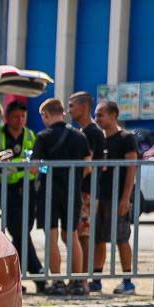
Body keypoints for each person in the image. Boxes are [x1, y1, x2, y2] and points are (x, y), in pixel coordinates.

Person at [31, 98, 91, 295]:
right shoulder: (79, 137)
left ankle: (56, 281)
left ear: (45, 115)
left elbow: (34, 168)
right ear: (62, 113)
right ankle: (77, 282)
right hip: (72, 191)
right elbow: (88, 167)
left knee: (52, 237)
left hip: (49, 191)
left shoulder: (43, 137)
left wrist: (48, 168)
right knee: (72, 235)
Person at [0, 99, 44, 286]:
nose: (20, 120)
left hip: (28, 190)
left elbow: (38, 165)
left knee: (23, 232)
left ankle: (16, 278)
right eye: (15, 117)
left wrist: (23, 169)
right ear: (7, 118)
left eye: (23, 116)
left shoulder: (30, 135)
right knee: (18, 231)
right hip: (6, 190)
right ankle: (37, 272)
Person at [92, 100, 140, 295]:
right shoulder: (98, 139)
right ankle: (96, 278)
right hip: (100, 196)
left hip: (118, 195)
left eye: (101, 114)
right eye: (96, 115)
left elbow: (131, 169)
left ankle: (128, 280)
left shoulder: (126, 138)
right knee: (99, 238)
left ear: (114, 115)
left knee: (121, 238)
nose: (98, 119)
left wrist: (125, 198)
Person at [68, 91, 107, 291]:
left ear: (83, 107)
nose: (69, 109)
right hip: (85, 191)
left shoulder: (91, 132)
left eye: (72, 105)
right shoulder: (84, 131)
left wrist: (70, 181)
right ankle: (79, 276)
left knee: (83, 235)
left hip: (87, 192)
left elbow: (88, 166)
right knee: (79, 234)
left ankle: (81, 279)